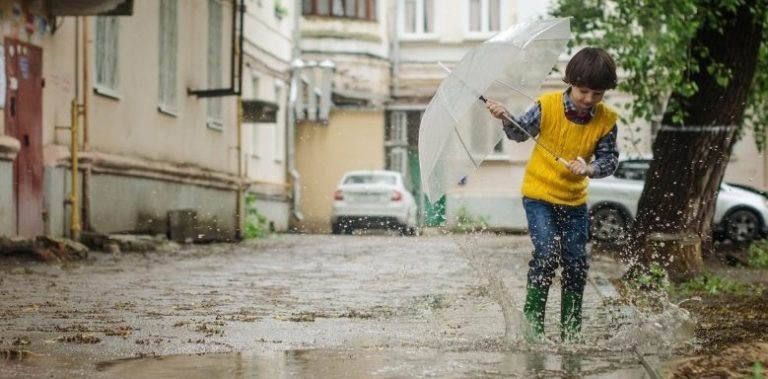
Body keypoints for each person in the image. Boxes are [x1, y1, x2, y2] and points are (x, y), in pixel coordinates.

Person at [485, 47, 619, 343]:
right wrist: (505, 117)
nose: (589, 99)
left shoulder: (606, 120)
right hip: (539, 197)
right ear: (571, 83)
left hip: (574, 202)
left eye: (597, 94)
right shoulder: (547, 106)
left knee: (575, 262)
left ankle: (571, 333)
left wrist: (590, 168)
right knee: (546, 255)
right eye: (583, 91)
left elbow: (610, 160)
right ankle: (533, 332)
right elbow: (518, 133)